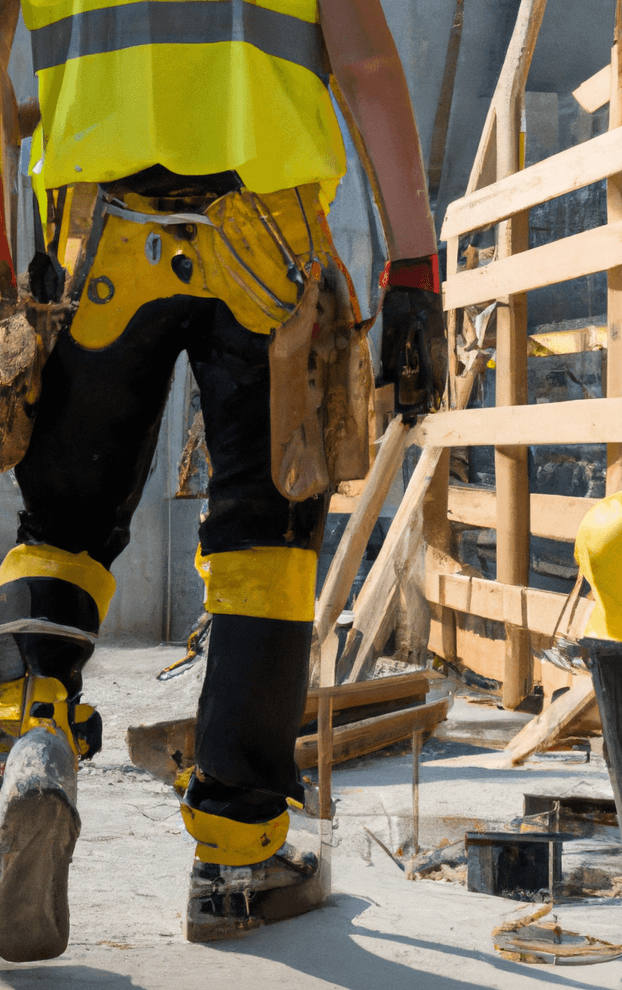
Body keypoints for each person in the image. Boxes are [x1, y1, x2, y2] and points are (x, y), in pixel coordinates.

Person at [0, 0, 443, 961]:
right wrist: (414, 262)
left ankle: (29, 736)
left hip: (95, 237)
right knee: (266, 537)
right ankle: (239, 860)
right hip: (267, 246)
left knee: (61, 526)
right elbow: (364, 62)